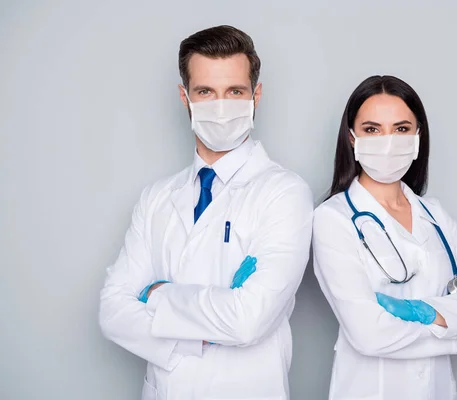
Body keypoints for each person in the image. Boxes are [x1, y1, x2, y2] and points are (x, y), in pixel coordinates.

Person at [99, 25, 313, 400]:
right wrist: (198, 336)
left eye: (234, 91)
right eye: (205, 92)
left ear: (255, 95)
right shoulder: (157, 198)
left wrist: (157, 295)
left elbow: (249, 321)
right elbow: (113, 313)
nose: (220, 106)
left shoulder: (284, 192)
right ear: (185, 97)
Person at [312, 75, 457, 400]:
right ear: (352, 138)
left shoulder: (434, 214)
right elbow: (368, 334)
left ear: (418, 137)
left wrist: (425, 311)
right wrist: (454, 316)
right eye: (372, 129)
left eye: (401, 129)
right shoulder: (333, 219)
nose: (387, 141)